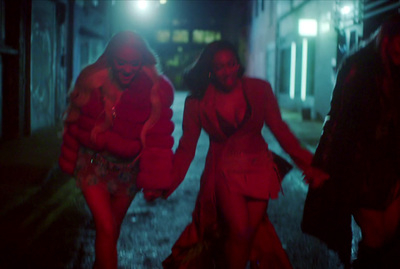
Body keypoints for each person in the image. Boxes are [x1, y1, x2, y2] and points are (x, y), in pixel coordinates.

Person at [162, 40, 328, 269]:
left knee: (247, 235)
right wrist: (167, 182)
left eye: (231, 64)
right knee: (240, 231)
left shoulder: (259, 89)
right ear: (210, 70)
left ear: (238, 65)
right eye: (219, 67)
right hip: (222, 170)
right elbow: (186, 147)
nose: (227, 71)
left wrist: (306, 164)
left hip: (259, 167)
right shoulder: (197, 101)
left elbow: (279, 129)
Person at [58, 31, 174, 269]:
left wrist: (156, 179)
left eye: (134, 63)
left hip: (128, 171)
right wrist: (69, 159)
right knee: (106, 227)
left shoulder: (155, 91)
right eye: (122, 61)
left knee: (111, 230)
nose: (127, 69)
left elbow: (159, 139)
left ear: (143, 62)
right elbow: (73, 122)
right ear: (111, 58)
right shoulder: (92, 81)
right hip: (93, 166)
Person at [302, 14, 400, 269]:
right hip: (360, 167)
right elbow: (337, 118)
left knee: (390, 237)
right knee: (376, 236)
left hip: (392, 168)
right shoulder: (360, 67)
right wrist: (321, 165)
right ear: (387, 38)